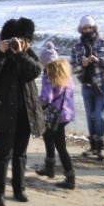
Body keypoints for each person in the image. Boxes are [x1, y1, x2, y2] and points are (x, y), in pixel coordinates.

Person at [0, 18, 44, 206]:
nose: (17, 43)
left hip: (26, 114)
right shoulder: (0, 56)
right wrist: (0, 54)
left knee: (21, 154)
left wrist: (20, 54)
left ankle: (19, 189)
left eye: (22, 40)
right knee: (3, 154)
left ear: (27, 41)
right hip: (4, 112)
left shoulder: (28, 54)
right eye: (13, 40)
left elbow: (35, 71)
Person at [71, 15, 104, 161]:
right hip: (86, 85)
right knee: (90, 116)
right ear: (81, 29)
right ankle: (93, 146)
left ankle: (101, 147)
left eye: (89, 27)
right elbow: (73, 67)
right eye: (84, 28)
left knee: (99, 115)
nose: (87, 30)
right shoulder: (77, 47)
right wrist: (83, 64)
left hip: (102, 83)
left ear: (94, 27)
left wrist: (99, 60)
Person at [34, 42, 76, 189]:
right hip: (66, 114)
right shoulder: (65, 73)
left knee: (60, 146)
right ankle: (49, 167)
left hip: (55, 114)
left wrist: (36, 105)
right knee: (48, 135)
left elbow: (46, 98)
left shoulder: (48, 74)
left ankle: (70, 177)